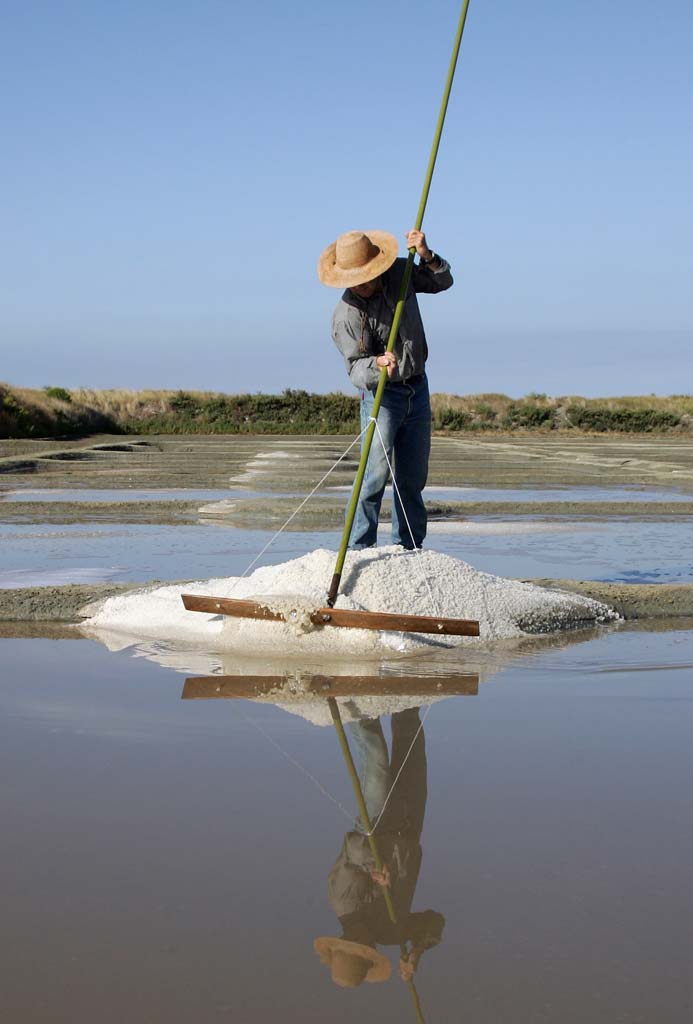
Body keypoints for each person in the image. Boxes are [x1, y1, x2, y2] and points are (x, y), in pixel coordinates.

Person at [318, 228, 453, 549]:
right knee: (374, 476)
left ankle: (408, 548)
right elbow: (355, 369)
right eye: (354, 280)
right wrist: (377, 364)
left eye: (366, 276)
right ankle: (359, 549)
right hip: (382, 397)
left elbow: (441, 282)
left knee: (412, 478)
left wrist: (426, 254)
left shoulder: (399, 273)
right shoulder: (345, 316)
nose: (362, 284)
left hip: (417, 388)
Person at [314, 708, 445, 988]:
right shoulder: (392, 932)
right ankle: (407, 698)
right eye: (366, 947)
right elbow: (434, 922)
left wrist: (374, 866)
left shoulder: (344, 903)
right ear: (371, 952)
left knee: (376, 762)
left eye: (356, 942)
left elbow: (353, 847)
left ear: (345, 940)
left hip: (378, 823)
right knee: (411, 743)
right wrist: (417, 952)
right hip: (410, 826)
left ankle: (357, 702)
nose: (365, 939)